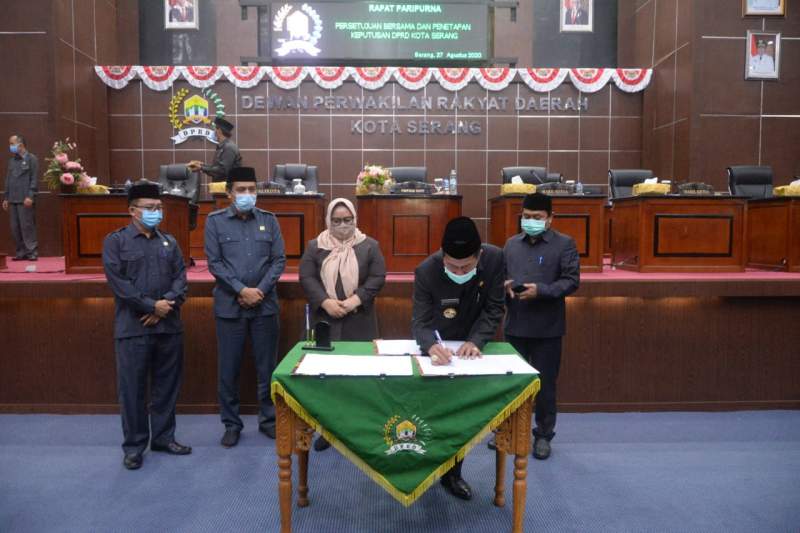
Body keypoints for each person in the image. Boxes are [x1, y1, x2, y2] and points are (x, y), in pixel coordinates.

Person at [411, 216, 505, 500]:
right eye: (452, 266)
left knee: (464, 413)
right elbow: (420, 322)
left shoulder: (495, 259)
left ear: (480, 255)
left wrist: (476, 340)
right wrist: (430, 346)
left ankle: (453, 473)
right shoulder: (427, 270)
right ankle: (422, 468)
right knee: (432, 411)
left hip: (473, 345)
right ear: (443, 256)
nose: (459, 271)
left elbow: (494, 307)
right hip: (440, 346)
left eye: (466, 267)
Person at [102, 180, 191, 470]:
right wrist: (152, 306)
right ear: (132, 210)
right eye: (150, 208)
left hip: (168, 327)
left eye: (159, 207)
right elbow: (120, 285)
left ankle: (164, 438)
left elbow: (181, 279)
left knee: (166, 387)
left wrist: (164, 306)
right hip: (133, 328)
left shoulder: (170, 241)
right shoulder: (116, 242)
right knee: (133, 390)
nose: (156, 212)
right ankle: (134, 446)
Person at [205, 166, 286, 448]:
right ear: (229, 193)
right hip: (231, 307)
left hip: (264, 306)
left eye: (252, 189)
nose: (247, 194)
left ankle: (269, 420)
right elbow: (215, 263)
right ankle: (231, 424)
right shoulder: (215, 222)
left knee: (267, 369)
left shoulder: (269, 220)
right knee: (229, 370)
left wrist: (258, 291)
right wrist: (241, 290)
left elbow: (278, 260)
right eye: (241, 190)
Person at [299, 197, 387, 451]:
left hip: (359, 319)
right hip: (325, 320)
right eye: (336, 221)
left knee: (360, 378)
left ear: (355, 219)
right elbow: (306, 277)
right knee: (327, 378)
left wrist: (354, 301)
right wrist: (325, 302)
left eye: (347, 220)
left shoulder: (369, 246)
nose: (342, 225)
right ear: (328, 220)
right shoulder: (315, 246)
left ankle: (360, 428)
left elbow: (378, 277)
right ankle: (329, 430)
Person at [498, 192, 579, 460]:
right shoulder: (511, 245)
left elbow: (571, 281)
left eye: (537, 217)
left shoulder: (564, 244)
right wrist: (504, 286)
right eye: (526, 216)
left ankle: (543, 435)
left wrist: (541, 290)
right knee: (511, 383)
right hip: (516, 324)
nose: (530, 221)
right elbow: (501, 276)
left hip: (547, 328)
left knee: (545, 386)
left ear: (550, 218)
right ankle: (508, 430)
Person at [3, 135, 38, 261]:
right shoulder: (12, 161)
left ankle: (32, 252)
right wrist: (6, 197)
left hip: (25, 199)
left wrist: (30, 195)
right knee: (15, 228)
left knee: (27, 226)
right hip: (13, 199)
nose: (10, 146)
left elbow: (34, 179)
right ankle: (21, 252)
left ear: (20, 144)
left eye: (12, 144)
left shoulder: (32, 159)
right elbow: (8, 180)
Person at [187, 117, 241, 182]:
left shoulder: (229, 147)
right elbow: (216, 168)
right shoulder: (223, 146)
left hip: (228, 187)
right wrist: (201, 165)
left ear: (219, 130)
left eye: (214, 129)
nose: (214, 131)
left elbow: (222, 170)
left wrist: (201, 167)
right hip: (220, 186)